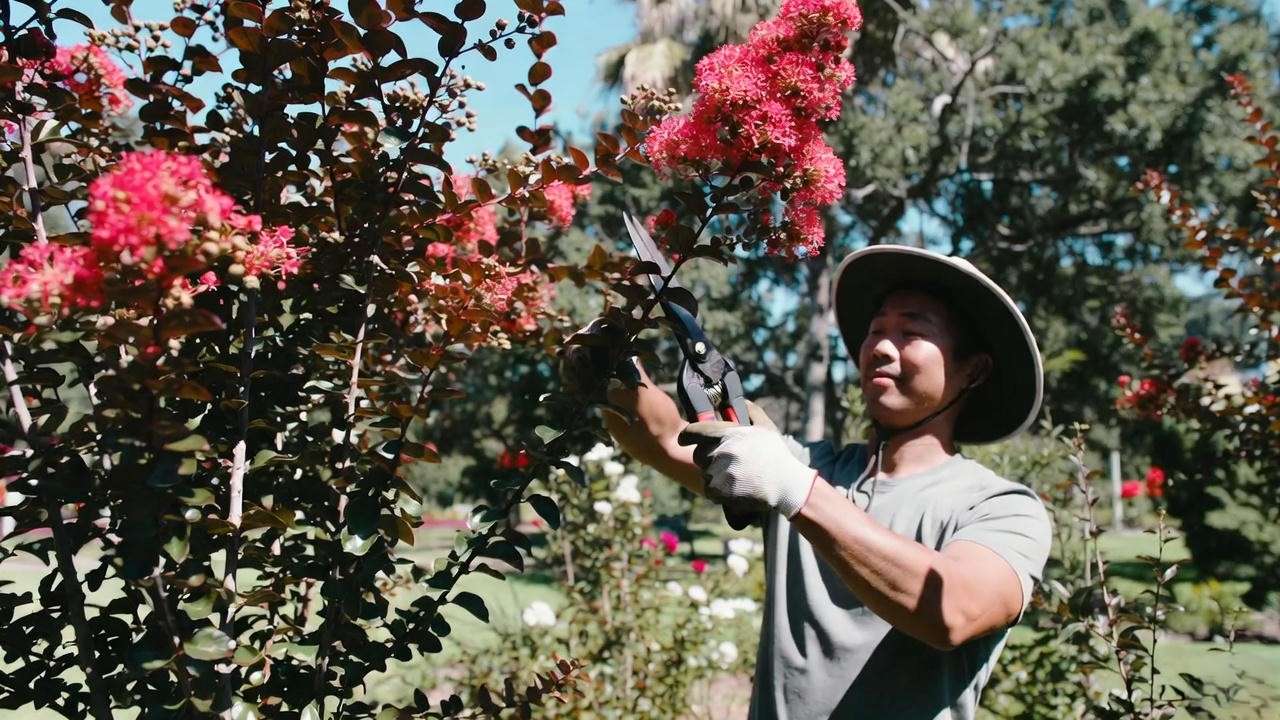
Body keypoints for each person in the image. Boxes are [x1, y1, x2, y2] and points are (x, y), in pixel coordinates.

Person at [563, 245, 1052, 719]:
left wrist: (795, 489)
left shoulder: (1002, 508)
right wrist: (612, 371)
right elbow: (667, 439)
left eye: (911, 332)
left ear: (974, 369)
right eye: (876, 329)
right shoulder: (803, 465)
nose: (880, 346)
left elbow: (952, 610)